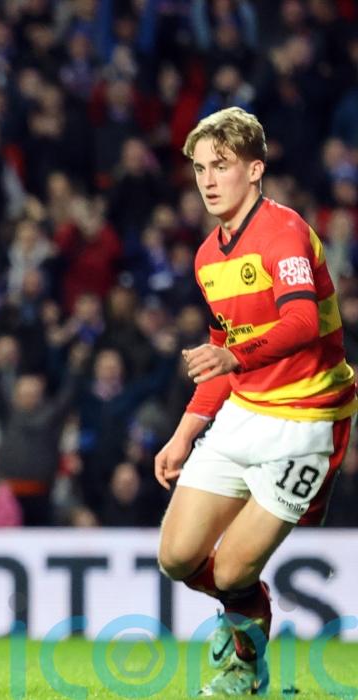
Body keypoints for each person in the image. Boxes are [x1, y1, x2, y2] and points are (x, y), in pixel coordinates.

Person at [154, 107, 356, 695]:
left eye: (221, 165)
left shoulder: (284, 232)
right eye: (199, 169)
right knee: (177, 556)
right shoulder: (207, 257)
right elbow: (221, 355)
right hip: (244, 413)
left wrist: (233, 358)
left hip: (307, 420)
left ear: (255, 169)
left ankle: (244, 665)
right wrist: (183, 435)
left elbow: (301, 322)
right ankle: (246, 611)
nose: (208, 180)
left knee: (233, 568)